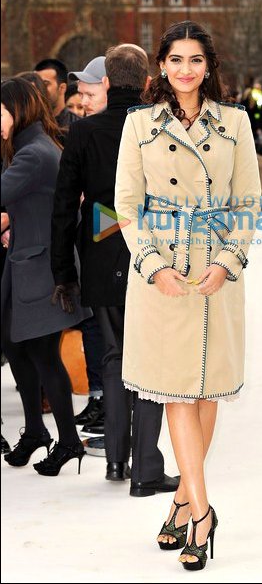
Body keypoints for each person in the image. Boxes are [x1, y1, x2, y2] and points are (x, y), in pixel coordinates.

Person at [114, 20, 262, 570]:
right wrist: (152, 267)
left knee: (206, 390)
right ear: (160, 65)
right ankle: (202, 512)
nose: (184, 69)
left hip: (216, 271)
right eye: (174, 59)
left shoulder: (236, 124)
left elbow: (248, 201)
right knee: (177, 390)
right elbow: (124, 205)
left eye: (194, 60)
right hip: (162, 273)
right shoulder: (138, 126)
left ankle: (180, 501)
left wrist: (228, 262)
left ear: (209, 66)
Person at [50, 43, 179, 492]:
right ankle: (144, 469)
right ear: (147, 82)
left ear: (106, 82)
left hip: (103, 256)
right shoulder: (160, 127)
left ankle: (116, 464)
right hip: (153, 256)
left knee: (114, 356)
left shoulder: (85, 132)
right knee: (152, 364)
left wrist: (63, 272)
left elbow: (64, 207)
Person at [1, 78, 91, 476]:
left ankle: (68, 440)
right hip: (26, 262)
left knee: (41, 353)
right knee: (18, 347)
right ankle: (38, 431)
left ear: (17, 110)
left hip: (40, 268)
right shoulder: (32, 146)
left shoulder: (33, 154)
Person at [34, 58, 80, 135]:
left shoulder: (78, 127)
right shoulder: (28, 126)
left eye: (45, 84)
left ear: (62, 88)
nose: (39, 89)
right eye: (36, 84)